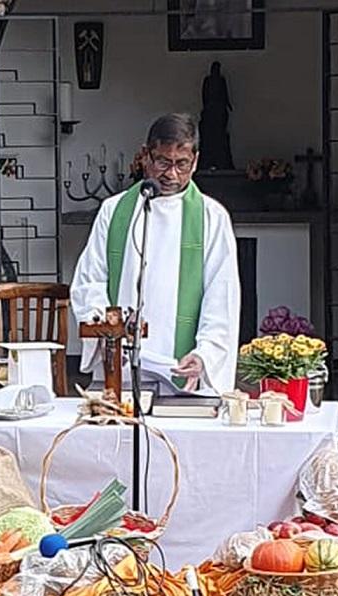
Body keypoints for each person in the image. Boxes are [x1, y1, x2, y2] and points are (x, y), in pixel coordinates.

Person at [70, 113, 241, 394]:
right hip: (119, 367)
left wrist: (205, 355)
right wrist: (104, 332)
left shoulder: (211, 217)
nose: (171, 173)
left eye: (181, 164)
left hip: (182, 370)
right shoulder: (115, 212)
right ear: (146, 157)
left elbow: (221, 295)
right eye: (163, 162)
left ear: (195, 161)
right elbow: (90, 280)